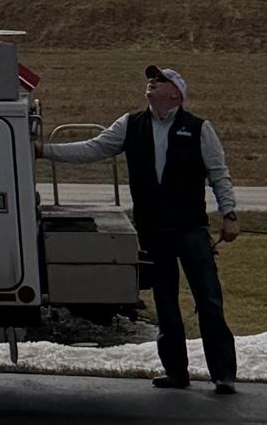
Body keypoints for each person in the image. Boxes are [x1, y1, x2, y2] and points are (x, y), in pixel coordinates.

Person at [43, 65, 239, 393]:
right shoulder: (130, 124)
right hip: (153, 230)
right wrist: (44, 150)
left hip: (191, 229)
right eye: (151, 78)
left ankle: (223, 373)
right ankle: (176, 372)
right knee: (165, 302)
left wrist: (229, 213)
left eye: (160, 80)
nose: (152, 82)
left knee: (209, 301)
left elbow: (219, 173)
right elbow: (92, 148)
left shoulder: (199, 128)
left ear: (176, 93)